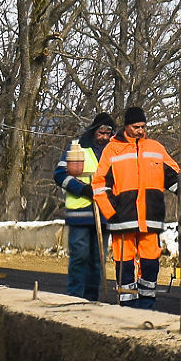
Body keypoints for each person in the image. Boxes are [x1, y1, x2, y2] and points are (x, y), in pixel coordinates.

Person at [91, 105, 181, 309]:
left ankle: (147, 305)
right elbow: (99, 184)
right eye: (136, 126)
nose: (140, 130)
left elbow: (175, 177)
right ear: (126, 126)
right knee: (124, 264)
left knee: (150, 263)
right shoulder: (112, 150)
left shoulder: (156, 148)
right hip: (122, 220)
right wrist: (111, 212)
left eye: (143, 126)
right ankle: (127, 307)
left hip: (150, 219)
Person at [52, 112, 114, 302]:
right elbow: (59, 175)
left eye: (108, 133)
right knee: (79, 257)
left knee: (98, 261)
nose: (103, 137)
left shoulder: (114, 151)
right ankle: (75, 299)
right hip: (80, 214)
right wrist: (81, 189)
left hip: (103, 214)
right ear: (94, 131)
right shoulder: (77, 147)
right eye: (101, 132)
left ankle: (91, 299)